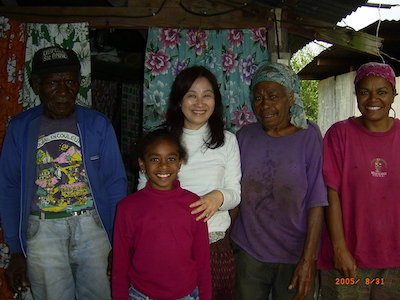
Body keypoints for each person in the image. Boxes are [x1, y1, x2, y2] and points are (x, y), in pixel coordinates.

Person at [0, 46, 127, 300]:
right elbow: (10, 187)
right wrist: (15, 248)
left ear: (79, 83)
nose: (62, 91)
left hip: (93, 227)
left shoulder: (97, 124)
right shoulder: (21, 127)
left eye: (70, 81)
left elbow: (115, 183)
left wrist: (118, 240)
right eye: (52, 83)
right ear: (36, 85)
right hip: (43, 231)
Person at [138, 66, 241, 300]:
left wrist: (219, 196)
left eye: (207, 95)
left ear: (216, 100)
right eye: (191, 95)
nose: (199, 103)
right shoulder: (160, 140)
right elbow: (143, 194)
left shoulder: (227, 141)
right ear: (179, 100)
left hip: (214, 244)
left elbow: (236, 192)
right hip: (167, 244)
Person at [231, 62, 328, 300]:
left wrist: (308, 258)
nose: (265, 105)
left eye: (273, 96)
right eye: (258, 97)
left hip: (295, 252)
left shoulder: (309, 136)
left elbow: (317, 200)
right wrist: (224, 243)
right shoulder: (244, 136)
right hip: (249, 250)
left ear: (290, 97)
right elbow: (233, 191)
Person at [317, 62, 400, 299]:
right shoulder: (340, 134)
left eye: (382, 92)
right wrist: (339, 249)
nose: (373, 98)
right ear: (356, 95)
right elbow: (330, 193)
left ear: (394, 94)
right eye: (365, 91)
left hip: (395, 259)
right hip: (349, 259)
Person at [112, 128, 211, 300]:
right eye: (155, 159)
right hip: (141, 295)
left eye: (171, 159)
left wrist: (206, 296)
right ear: (142, 164)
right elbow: (120, 262)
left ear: (180, 163)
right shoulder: (127, 207)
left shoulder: (194, 204)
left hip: (186, 295)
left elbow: (202, 258)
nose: (163, 166)